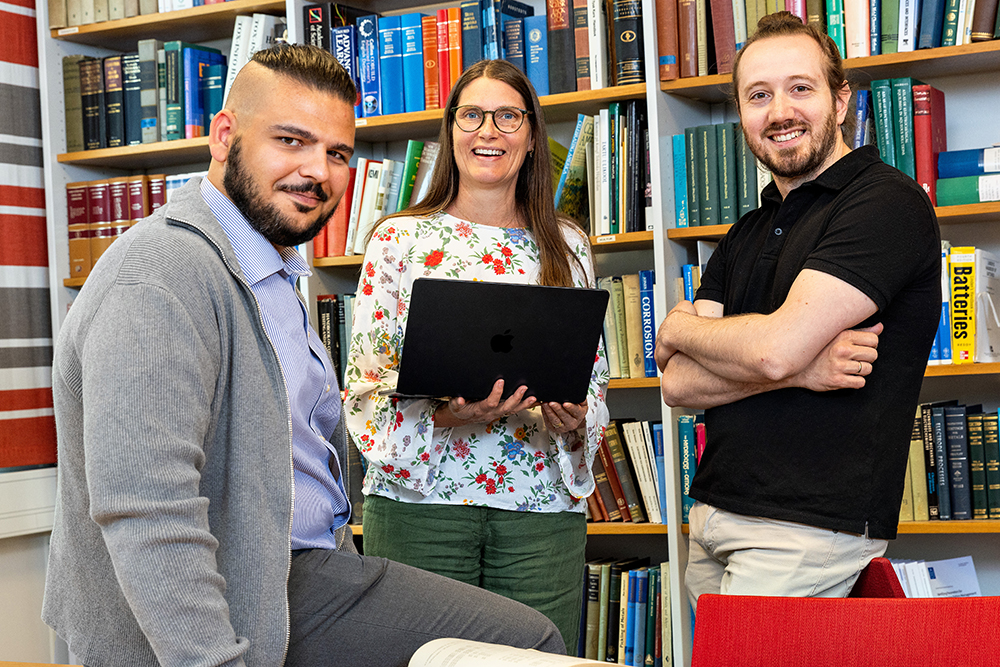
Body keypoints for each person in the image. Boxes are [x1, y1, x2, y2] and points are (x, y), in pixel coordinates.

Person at [42, 44, 566, 667]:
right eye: (291, 141)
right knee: (526, 644)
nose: (317, 171)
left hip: (304, 570)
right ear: (224, 136)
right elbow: (145, 510)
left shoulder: (271, 272)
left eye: (337, 152)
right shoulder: (162, 278)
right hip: (240, 592)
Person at [654, 13, 940, 611]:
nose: (779, 111)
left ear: (840, 101)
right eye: (759, 95)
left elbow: (771, 349)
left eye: (799, 88)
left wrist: (683, 325)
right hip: (711, 513)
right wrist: (802, 370)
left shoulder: (886, 202)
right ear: (741, 116)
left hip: (808, 528)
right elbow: (677, 382)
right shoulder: (746, 231)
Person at [344, 59, 610, 652]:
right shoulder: (398, 240)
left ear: (532, 135)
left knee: (542, 661)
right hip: (421, 508)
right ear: (451, 129)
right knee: (419, 661)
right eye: (472, 115)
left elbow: (593, 382)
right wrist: (445, 415)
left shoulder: (568, 246)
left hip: (539, 508)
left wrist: (574, 423)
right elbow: (362, 388)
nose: (488, 131)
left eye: (508, 116)